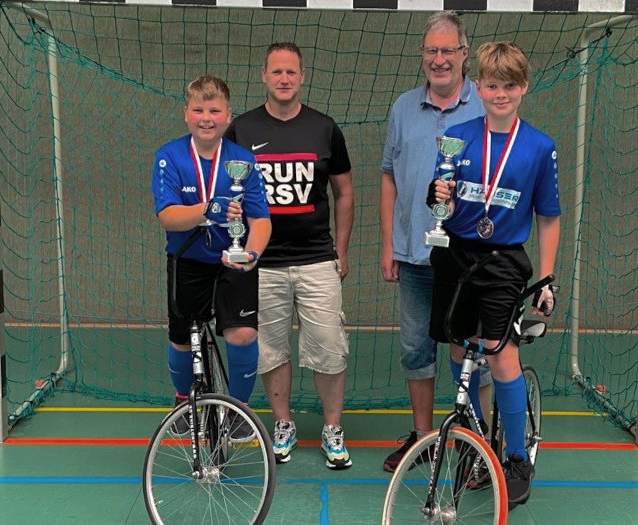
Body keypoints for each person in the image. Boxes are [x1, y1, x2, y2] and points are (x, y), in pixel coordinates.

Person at [429, 41, 560, 509]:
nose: (499, 93)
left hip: (504, 262)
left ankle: (516, 457)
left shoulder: (539, 147)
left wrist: (546, 280)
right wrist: (437, 194)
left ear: (522, 88)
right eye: (491, 85)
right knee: (455, 342)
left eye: (509, 85)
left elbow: (548, 217)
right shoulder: (458, 135)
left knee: (499, 355)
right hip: (456, 256)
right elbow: (439, 203)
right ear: (477, 86)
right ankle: (470, 437)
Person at [224, 42, 355, 470]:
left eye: (291, 72)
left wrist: (342, 249)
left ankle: (333, 429)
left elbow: (345, 192)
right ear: (264, 75)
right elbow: (225, 189)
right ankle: (283, 423)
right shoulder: (240, 130)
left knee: (329, 348)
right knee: (271, 350)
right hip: (262, 263)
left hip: (317, 259)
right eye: (276, 71)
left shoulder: (324, 128)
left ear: (302, 77)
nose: (284, 79)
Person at [379, 10, 493, 473]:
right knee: (414, 349)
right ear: (422, 55)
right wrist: (388, 243)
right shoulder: (404, 107)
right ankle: (424, 437)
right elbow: (389, 175)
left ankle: (476, 439)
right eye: (432, 50)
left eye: (448, 50)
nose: (440, 59)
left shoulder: (485, 106)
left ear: (465, 54)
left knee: (470, 349)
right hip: (413, 253)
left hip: (467, 257)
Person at [151, 75, 272, 441]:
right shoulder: (169, 156)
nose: (207, 117)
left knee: (243, 333)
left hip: (232, 262)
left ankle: (238, 409)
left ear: (227, 115)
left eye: (215, 110)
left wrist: (251, 252)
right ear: (186, 114)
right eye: (199, 109)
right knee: (182, 340)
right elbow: (167, 216)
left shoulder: (243, 160)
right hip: (187, 260)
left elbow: (261, 220)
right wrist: (206, 209)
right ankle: (183, 402)